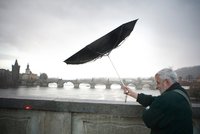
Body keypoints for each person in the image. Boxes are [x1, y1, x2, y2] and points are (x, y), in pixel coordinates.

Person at [123, 68, 193, 134]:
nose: (156, 86)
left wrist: (148, 108)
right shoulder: (181, 92)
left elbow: (148, 119)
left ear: (166, 82)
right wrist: (134, 94)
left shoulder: (167, 98)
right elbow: (155, 100)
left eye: (158, 82)